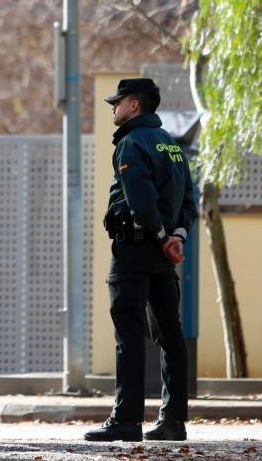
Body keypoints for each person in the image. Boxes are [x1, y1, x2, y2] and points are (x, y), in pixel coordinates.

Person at [84, 78, 198, 442]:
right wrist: (177, 237)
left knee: (129, 332)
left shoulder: (132, 142)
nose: (113, 108)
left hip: (135, 250)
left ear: (134, 105)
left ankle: (126, 419)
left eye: (116, 102)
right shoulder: (172, 145)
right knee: (170, 334)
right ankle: (173, 421)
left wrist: (163, 238)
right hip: (164, 255)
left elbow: (140, 199)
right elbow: (188, 199)